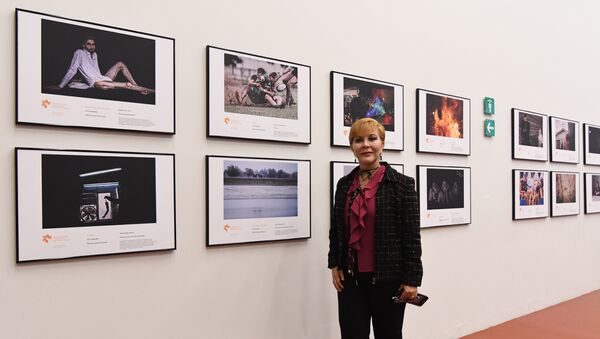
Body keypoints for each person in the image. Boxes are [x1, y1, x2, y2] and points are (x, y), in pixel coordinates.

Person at [328, 118, 423, 339]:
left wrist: (412, 279)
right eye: (358, 140)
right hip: (350, 280)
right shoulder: (344, 185)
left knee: (388, 335)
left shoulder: (402, 185)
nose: (365, 145)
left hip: (388, 280)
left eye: (372, 138)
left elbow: (411, 236)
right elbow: (336, 228)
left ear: (382, 144)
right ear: (352, 147)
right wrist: (335, 263)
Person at [56, 35, 154, 94]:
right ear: (84, 45)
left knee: (120, 63)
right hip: (97, 83)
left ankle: (137, 86)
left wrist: (80, 79)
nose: (91, 46)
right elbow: (73, 69)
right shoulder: (79, 52)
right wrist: (61, 86)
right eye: (88, 44)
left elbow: (89, 69)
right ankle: (152, 91)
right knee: (126, 85)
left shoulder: (95, 55)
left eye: (93, 44)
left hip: (102, 77)